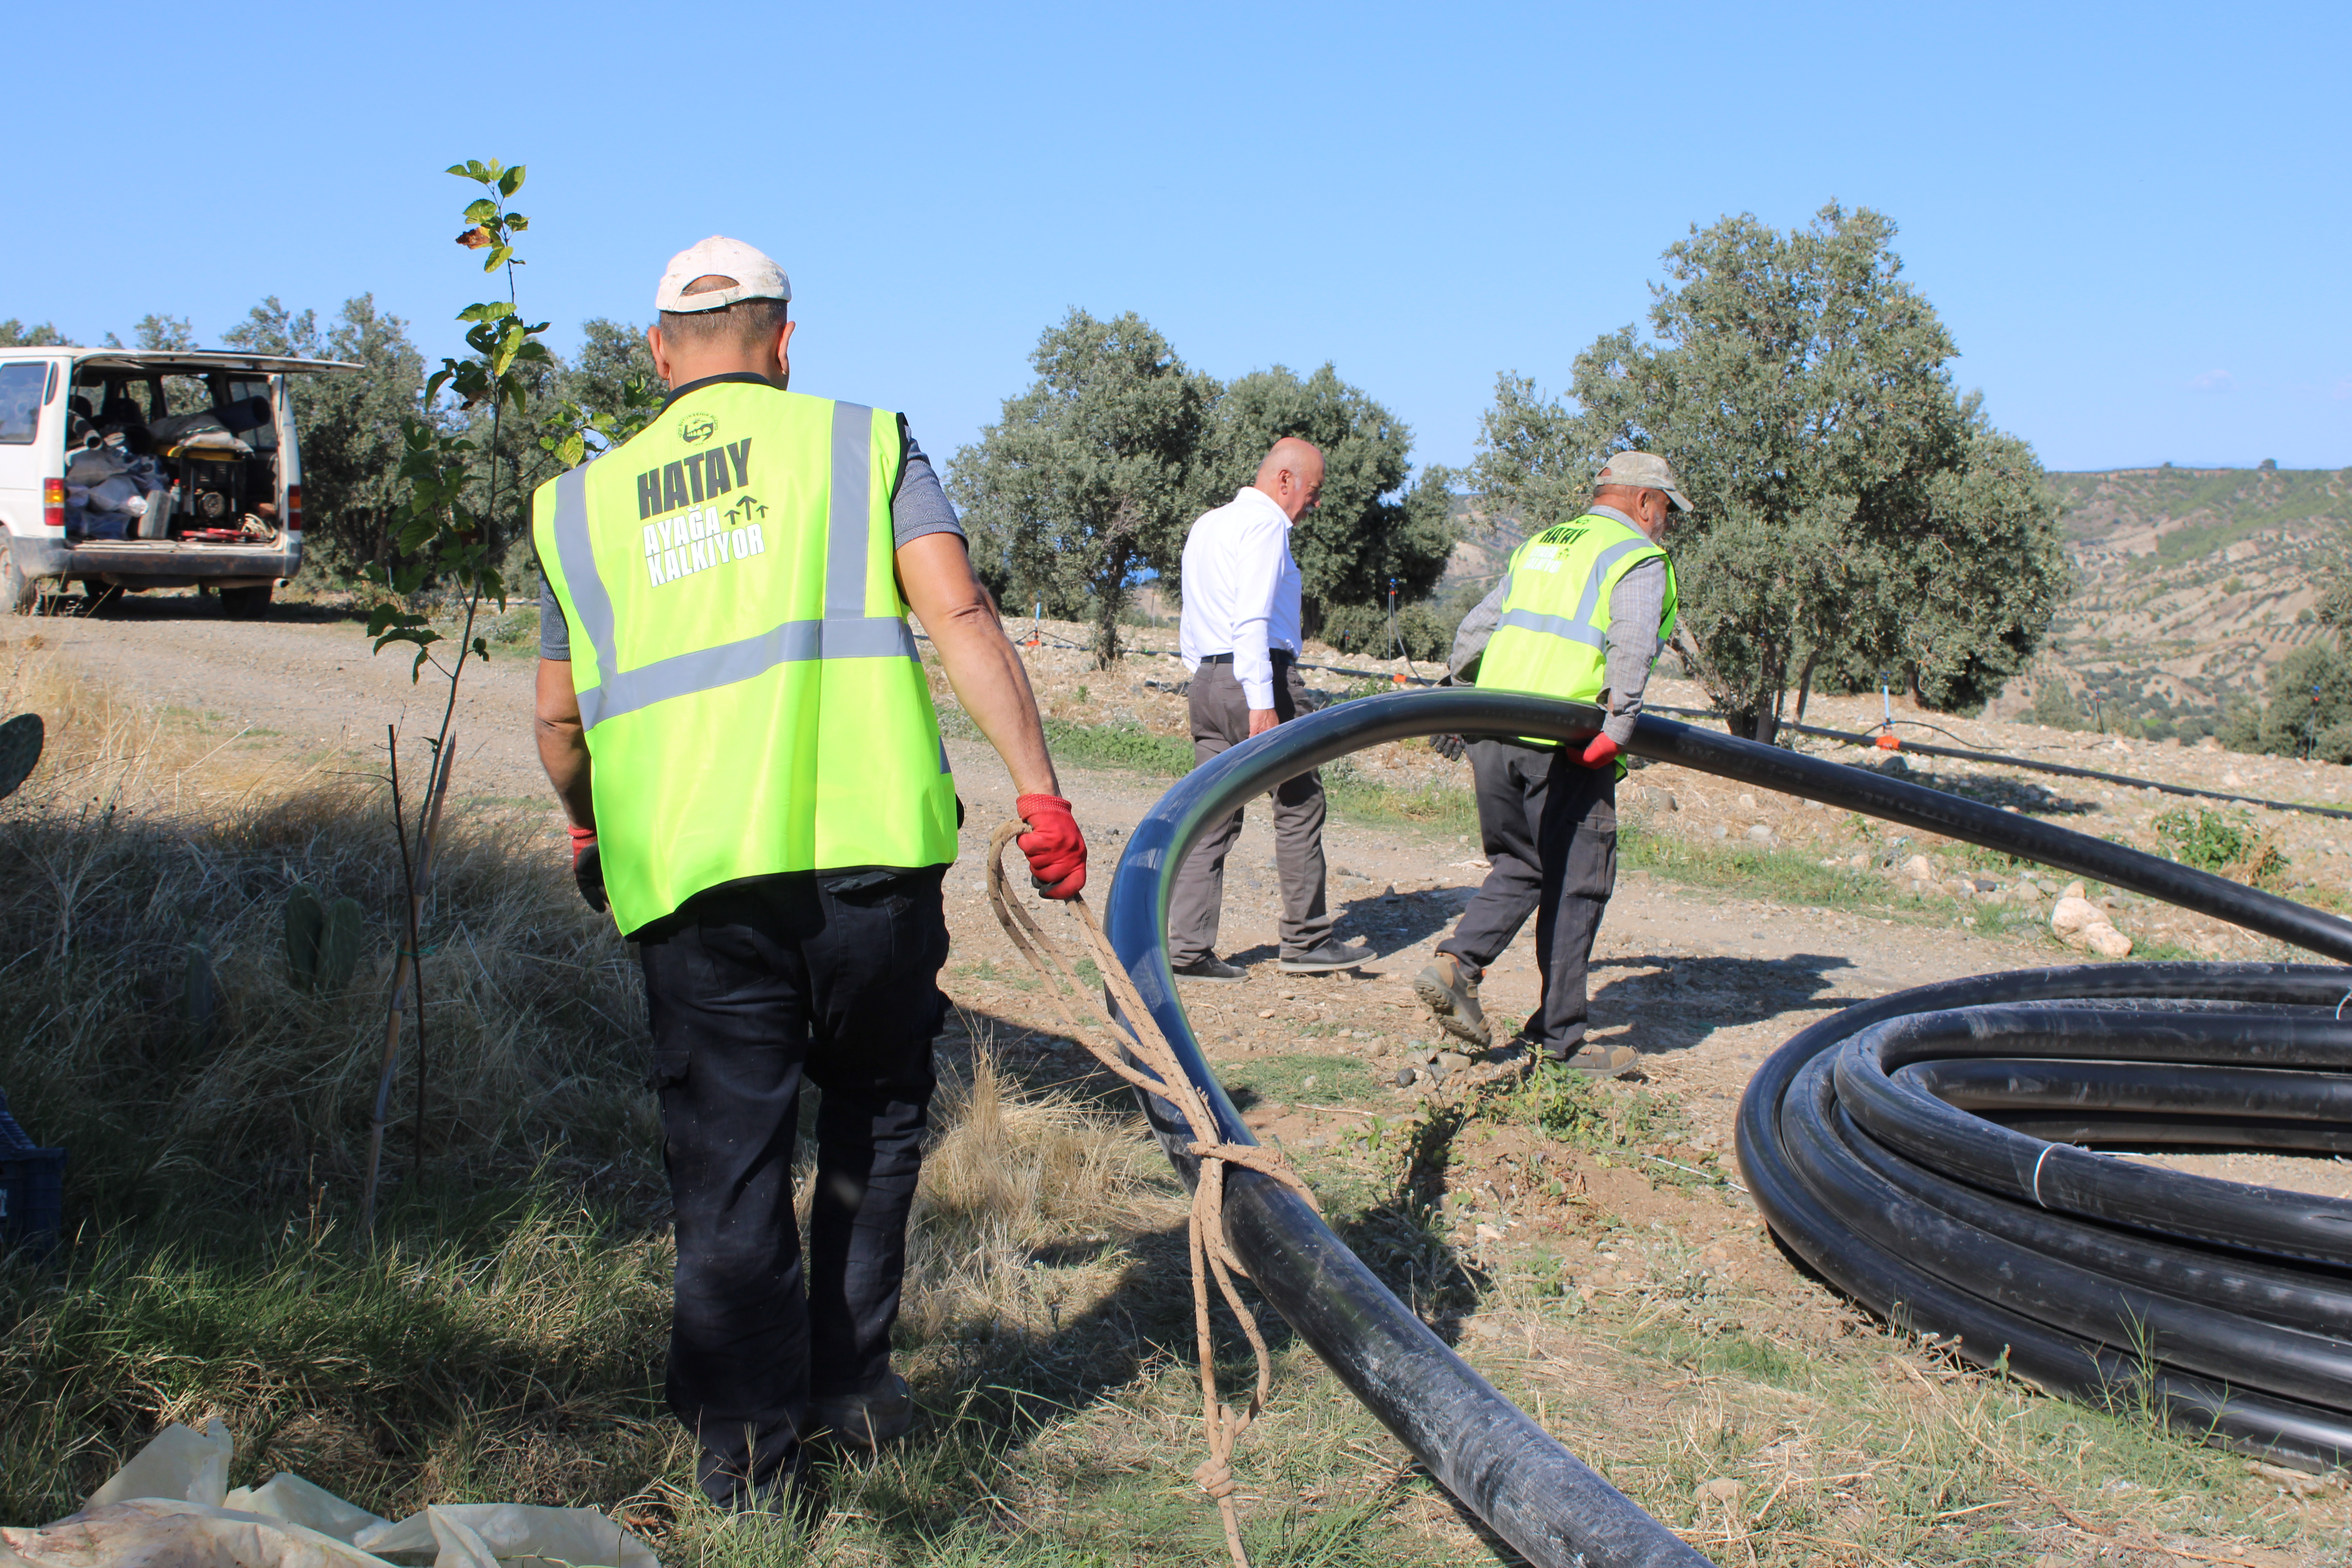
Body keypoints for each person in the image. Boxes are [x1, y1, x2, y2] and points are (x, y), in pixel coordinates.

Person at [530, 236, 1086, 1510]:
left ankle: (746, 1470)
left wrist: (587, 831)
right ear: (786, 344)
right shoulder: (862, 442)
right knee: (876, 1120)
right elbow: (960, 615)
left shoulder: (582, 504)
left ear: (656, 354)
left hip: (692, 884)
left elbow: (561, 726)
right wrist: (1041, 794)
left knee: (727, 1164)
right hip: (870, 870)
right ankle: (846, 1389)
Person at [1415, 452, 1687, 1075]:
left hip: (1494, 730)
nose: (1666, 523)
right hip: (1566, 745)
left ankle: (1455, 965)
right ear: (1645, 502)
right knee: (1578, 881)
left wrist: (1460, 697)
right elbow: (1634, 640)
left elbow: (1475, 629)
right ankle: (1560, 1043)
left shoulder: (1542, 546)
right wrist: (1617, 729)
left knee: (1520, 864)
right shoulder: (1636, 557)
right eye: (1666, 509)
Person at [1166, 437, 1374, 980]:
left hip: (1208, 681)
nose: (1315, 503)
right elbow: (1252, 620)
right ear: (1285, 480)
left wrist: (1205, 676)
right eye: (1315, 489)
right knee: (1300, 802)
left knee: (1209, 814)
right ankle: (1306, 941)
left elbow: (1196, 613)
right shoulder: (1265, 526)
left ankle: (1186, 949)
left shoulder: (1208, 525)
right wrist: (1262, 702)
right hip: (1259, 679)